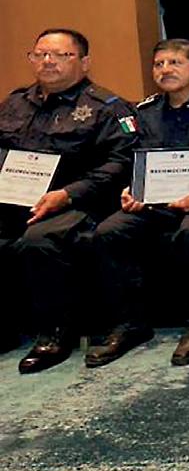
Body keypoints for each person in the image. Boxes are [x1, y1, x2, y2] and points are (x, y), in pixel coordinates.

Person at [84, 40, 189, 367]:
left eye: (175, 63)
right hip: (155, 203)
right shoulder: (145, 111)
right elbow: (128, 159)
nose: (165, 70)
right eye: (159, 64)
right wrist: (131, 189)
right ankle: (129, 324)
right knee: (110, 231)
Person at [0, 29, 137, 374]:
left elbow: (121, 163)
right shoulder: (15, 103)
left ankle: (55, 334)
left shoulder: (106, 108)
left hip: (79, 202)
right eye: (40, 54)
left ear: (84, 62)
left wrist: (68, 194)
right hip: (15, 198)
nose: (48, 62)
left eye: (61, 55)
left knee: (39, 239)